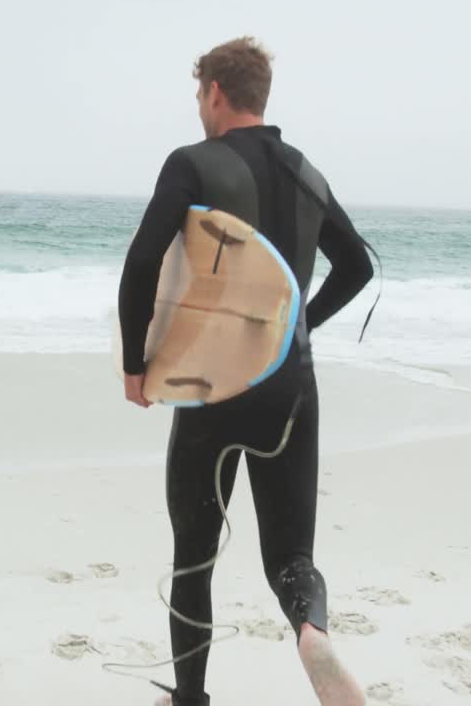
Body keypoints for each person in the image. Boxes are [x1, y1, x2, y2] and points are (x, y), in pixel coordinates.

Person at [117, 37, 374, 706]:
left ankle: (191, 700)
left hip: (210, 386)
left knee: (195, 556)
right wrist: (300, 325)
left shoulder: (193, 162)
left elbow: (144, 263)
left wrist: (135, 365)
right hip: (290, 388)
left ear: (214, 94)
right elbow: (359, 267)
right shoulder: (304, 172)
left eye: (200, 95)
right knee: (290, 556)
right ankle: (310, 630)